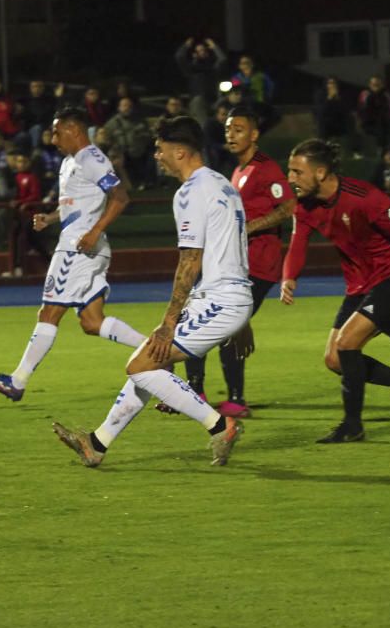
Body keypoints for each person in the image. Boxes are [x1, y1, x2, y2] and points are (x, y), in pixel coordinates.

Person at [51, 116, 250, 467]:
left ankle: (219, 424)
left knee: (140, 365)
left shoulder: (190, 192)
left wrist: (168, 321)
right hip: (225, 297)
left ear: (180, 151)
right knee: (149, 363)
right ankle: (97, 444)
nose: (156, 156)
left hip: (219, 298)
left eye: (160, 150)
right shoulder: (223, 184)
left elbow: (191, 259)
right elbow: (233, 248)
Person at [0, 107, 145, 401]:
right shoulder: (71, 161)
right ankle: (156, 350)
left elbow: (120, 197)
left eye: (57, 132)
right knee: (92, 322)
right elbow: (75, 204)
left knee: (49, 312)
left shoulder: (92, 159)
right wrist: (50, 218)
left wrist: (94, 231)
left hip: (77, 248)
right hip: (83, 245)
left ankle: (18, 381)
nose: (53, 138)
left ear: (74, 130)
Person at [281, 139, 390, 442]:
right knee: (335, 360)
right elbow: (298, 243)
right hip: (360, 284)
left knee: (348, 344)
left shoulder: (363, 197)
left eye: (297, 172)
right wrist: (288, 276)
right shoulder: (304, 205)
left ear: (320, 172)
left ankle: (352, 425)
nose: (290, 179)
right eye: (289, 171)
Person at [162, 106, 295, 417]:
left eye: (238, 129)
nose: (231, 135)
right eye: (227, 129)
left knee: (221, 328)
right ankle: (198, 392)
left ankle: (230, 398)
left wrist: (250, 226)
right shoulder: (237, 172)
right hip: (233, 264)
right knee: (212, 326)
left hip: (259, 264)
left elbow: (289, 206)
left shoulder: (265, 168)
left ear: (255, 134)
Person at [6, 152, 51, 277]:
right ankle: (16, 266)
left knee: (30, 239)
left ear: (28, 163)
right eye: (18, 161)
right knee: (17, 237)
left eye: (23, 161)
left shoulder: (32, 178)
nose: (20, 164)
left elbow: (35, 195)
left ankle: (50, 263)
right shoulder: (16, 177)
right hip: (19, 215)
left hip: (31, 215)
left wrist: (21, 202)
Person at [174, 37, 226, 124]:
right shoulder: (191, 69)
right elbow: (179, 57)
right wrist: (186, 45)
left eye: (203, 50)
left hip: (213, 101)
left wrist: (213, 46)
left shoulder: (212, 68)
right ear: (195, 53)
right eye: (199, 51)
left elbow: (222, 59)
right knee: (203, 126)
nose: (201, 52)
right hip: (198, 103)